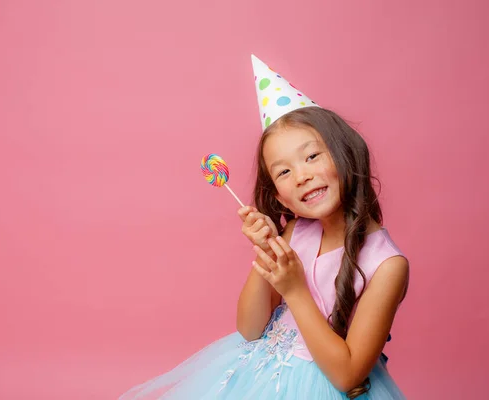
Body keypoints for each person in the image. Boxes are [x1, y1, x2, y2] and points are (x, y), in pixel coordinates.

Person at [119, 55, 410, 399]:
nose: (301, 175)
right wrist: (268, 250)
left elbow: (347, 376)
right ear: (282, 198)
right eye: (284, 171)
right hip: (259, 378)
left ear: (346, 155)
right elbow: (250, 329)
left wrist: (295, 289)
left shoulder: (388, 265)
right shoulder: (294, 234)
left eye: (312, 156)